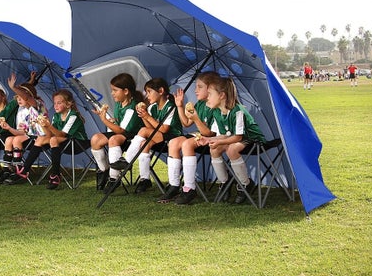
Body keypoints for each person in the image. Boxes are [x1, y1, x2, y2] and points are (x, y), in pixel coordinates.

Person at [197, 77, 266, 205]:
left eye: (210, 94)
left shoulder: (237, 111)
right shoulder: (217, 112)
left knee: (231, 148)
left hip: (252, 138)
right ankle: (225, 182)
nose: (208, 97)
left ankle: (246, 184)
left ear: (222, 95)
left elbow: (238, 137)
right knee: (214, 148)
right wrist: (208, 139)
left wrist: (219, 141)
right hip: (234, 138)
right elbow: (223, 135)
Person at [110, 78, 182, 194]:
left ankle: (127, 159)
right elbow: (150, 128)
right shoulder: (152, 107)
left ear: (161, 91)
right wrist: (143, 116)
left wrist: (147, 117)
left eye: (149, 91)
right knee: (144, 143)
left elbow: (164, 129)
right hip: (159, 137)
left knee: (143, 131)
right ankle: (145, 179)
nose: (147, 95)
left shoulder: (170, 106)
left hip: (173, 138)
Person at [6, 89, 88, 188]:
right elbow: (50, 134)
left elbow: (61, 135)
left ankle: (56, 175)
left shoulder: (73, 116)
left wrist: (48, 126)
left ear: (68, 104)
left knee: (53, 140)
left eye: (59, 103)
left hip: (78, 143)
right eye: (54, 103)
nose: (56, 106)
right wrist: (44, 125)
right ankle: (25, 169)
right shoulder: (56, 116)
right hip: (63, 141)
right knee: (41, 138)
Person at [160, 71, 221, 204]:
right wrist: (180, 106)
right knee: (174, 142)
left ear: (210, 88)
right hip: (200, 135)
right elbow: (186, 123)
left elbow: (210, 133)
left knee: (187, 144)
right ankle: (174, 185)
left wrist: (196, 119)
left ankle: (189, 188)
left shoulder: (216, 105)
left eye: (199, 87)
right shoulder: (199, 104)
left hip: (213, 138)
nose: (195, 90)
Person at [90, 73, 144, 192]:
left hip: (132, 137)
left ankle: (114, 178)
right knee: (95, 139)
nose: (112, 93)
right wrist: (112, 120)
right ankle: (104, 170)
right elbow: (119, 122)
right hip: (122, 133)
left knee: (114, 139)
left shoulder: (133, 106)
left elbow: (122, 130)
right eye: (112, 90)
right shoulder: (119, 104)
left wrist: (104, 120)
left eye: (115, 90)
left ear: (126, 91)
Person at [0, 74, 48, 183]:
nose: (19, 100)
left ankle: (19, 171)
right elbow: (21, 132)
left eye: (21, 97)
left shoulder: (38, 104)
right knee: (9, 139)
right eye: (17, 97)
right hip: (29, 137)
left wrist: (14, 88)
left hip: (42, 137)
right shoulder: (21, 110)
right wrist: (8, 128)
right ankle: (7, 170)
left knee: (16, 140)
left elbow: (27, 97)